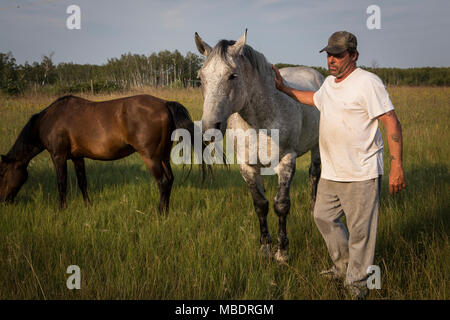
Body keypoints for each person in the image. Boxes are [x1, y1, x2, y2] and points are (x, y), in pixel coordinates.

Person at [272, 31, 406, 299]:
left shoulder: (368, 83)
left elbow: (391, 120)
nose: (332, 60)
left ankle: (357, 285)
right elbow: (314, 99)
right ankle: (343, 265)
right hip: (332, 173)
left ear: (353, 55)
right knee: (322, 216)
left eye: (338, 55)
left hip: (361, 173)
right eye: (329, 54)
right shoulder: (330, 85)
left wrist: (396, 166)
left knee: (361, 233)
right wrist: (283, 88)